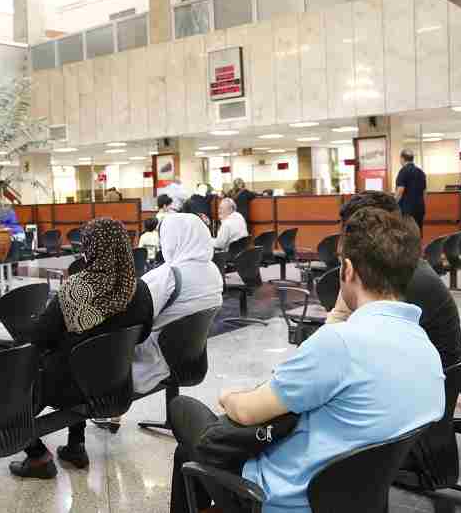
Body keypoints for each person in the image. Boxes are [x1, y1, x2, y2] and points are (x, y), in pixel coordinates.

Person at [168, 207, 445, 513]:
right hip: (352, 498)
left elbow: (247, 412)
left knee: (182, 409)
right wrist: (339, 316)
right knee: (187, 454)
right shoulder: (426, 350)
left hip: (276, 498)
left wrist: (227, 395)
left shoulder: (340, 345)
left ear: (348, 270)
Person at [325, 190, 461, 487]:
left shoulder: (401, 284)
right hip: (414, 407)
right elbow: (339, 322)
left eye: (354, 233)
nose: (345, 244)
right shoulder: (397, 270)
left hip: (408, 428)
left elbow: (343, 349)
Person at [9, 218, 154, 479]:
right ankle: (75, 445)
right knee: (79, 354)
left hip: (69, 388)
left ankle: (37, 455)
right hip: (115, 382)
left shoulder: (74, 289)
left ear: (91, 248)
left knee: (19, 372)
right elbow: (141, 335)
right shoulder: (139, 289)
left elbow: (41, 339)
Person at [133, 213, 223, 394]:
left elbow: (135, 316)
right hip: (190, 359)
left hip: (154, 360)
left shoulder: (167, 276)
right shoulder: (213, 270)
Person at [395, 149, 427, 235]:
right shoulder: (421, 172)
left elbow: (400, 190)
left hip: (407, 210)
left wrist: (393, 204)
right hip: (420, 209)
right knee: (418, 233)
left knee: (407, 234)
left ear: (402, 158)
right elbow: (424, 192)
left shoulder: (403, 171)